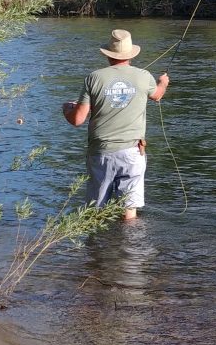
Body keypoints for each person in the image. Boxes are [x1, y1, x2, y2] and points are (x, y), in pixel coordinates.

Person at [62, 28, 169, 222]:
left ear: (108, 55)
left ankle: (97, 249)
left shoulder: (93, 78)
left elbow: (77, 120)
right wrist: (163, 82)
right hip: (133, 152)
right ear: (130, 54)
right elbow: (158, 96)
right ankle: (129, 248)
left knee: (96, 211)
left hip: (102, 152)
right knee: (129, 214)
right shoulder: (144, 76)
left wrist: (66, 109)